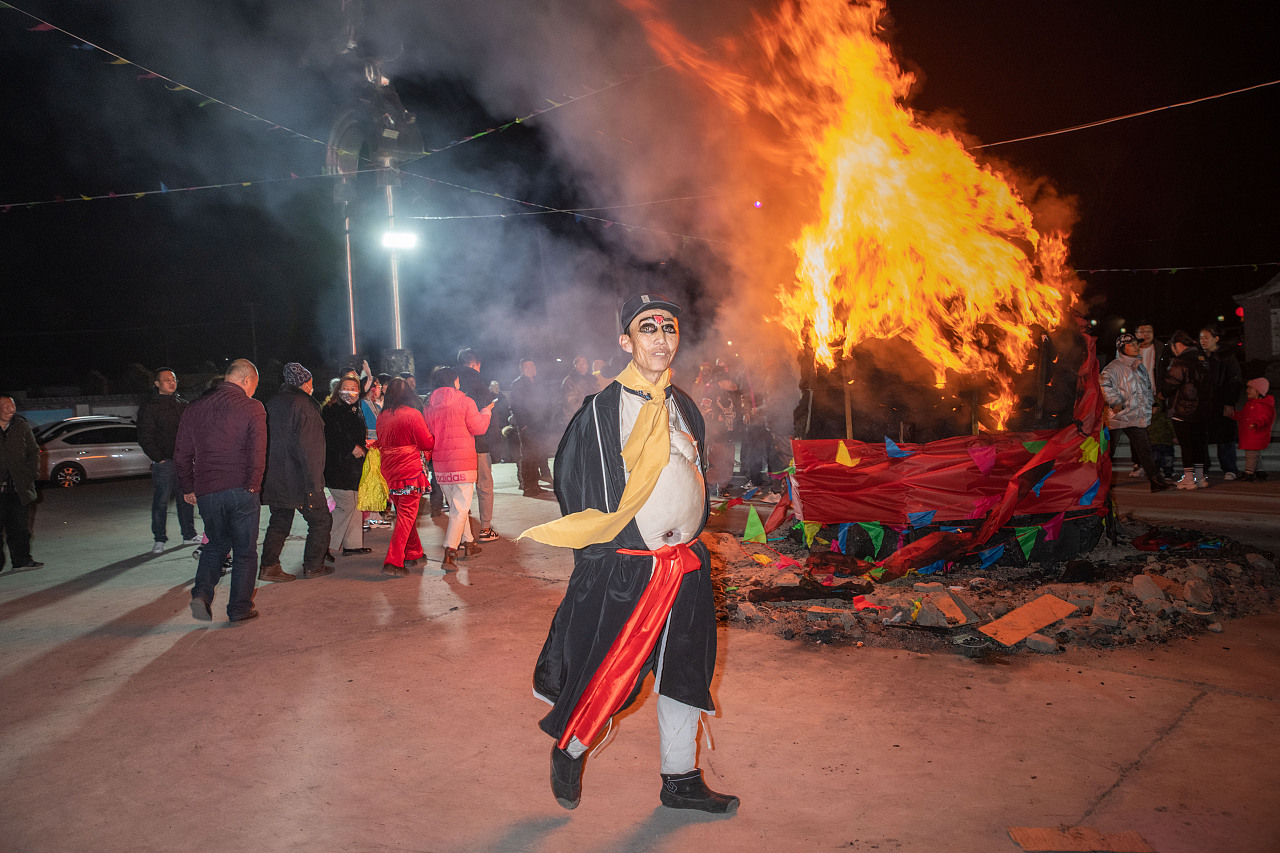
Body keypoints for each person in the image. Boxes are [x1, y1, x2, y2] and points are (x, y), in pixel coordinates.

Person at [524, 294, 738, 814]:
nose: (661, 337)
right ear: (627, 341)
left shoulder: (682, 404)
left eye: (669, 328)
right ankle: (570, 748)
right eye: (648, 329)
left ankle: (680, 779)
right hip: (629, 569)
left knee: (684, 672)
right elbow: (574, 486)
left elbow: (693, 471)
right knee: (607, 673)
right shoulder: (600, 412)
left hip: (683, 564)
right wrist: (602, 559)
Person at [174, 359, 266, 622]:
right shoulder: (252, 407)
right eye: (253, 386)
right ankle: (239, 609)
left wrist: (188, 486)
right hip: (241, 489)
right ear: (247, 381)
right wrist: (254, 485)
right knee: (245, 551)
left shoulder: (194, 408)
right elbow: (258, 453)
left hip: (208, 491)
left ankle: (202, 594)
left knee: (215, 545)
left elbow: (181, 454)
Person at [258, 363, 333, 582]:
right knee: (320, 521)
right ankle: (313, 566)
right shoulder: (305, 406)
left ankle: (268, 566)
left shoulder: (272, 403)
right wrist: (315, 483)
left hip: (275, 477)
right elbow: (310, 450)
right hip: (300, 479)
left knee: (279, 520)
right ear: (306, 382)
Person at [424, 366, 493, 568]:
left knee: (457, 507)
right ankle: (450, 551)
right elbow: (478, 428)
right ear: (453, 381)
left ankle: (469, 543)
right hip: (463, 461)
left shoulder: (428, 405)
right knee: (460, 509)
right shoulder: (465, 401)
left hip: (441, 465)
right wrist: (486, 412)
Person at [137, 368, 201, 553]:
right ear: (157, 384)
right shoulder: (150, 406)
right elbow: (144, 436)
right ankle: (159, 539)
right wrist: (159, 458)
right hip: (164, 462)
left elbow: (192, 431)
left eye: (173, 379)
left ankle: (189, 534)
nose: (172, 382)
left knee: (187, 498)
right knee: (161, 502)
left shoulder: (182, 404)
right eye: (166, 380)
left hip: (185, 461)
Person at [376, 377, 435, 577]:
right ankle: (393, 560)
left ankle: (414, 552)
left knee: (403, 512)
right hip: (410, 470)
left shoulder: (382, 415)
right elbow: (426, 443)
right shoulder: (413, 414)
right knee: (407, 514)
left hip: (390, 471)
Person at [1100, 334, 1172, 492]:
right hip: (1116, 418)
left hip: (1134, 416)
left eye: (1136, 344)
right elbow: (1103, 383)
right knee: (1108, 453)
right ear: (1121, 348)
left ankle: (1155, 481)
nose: (1136, 347)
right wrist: (1115, 401)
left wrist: (1151, 403)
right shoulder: (1113, 367)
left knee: (1145, 449)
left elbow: (1145, 388)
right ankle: (1099, 483)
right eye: (1132, 344)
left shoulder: (1139, 367)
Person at [1159, 331, 1212, 490]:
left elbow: (1171, 383)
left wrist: (1163, 393)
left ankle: (1189, 479)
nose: (1173, 350)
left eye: (1173, 346)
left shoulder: (1180, 361)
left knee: (1186, 444)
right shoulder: (1202, 359)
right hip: (1202, 408)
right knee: (1199, 443)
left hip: (1183, 408)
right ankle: (1200, 477)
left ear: (1179, 345)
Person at [323, 375, 369, 558]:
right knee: (346, 505)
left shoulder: (354, 409)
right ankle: (323, 544)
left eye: (353, 388)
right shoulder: (331, 410)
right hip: (338, 467)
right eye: (346, 387)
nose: (350, 391)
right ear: (338, 389)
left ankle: (353, 544)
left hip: (354, 467)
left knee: (356, 503)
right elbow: (332, 436)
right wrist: (351, 448)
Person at [458, 349, 499, 542]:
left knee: (462, 489)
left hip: (456, 445)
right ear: (476, 364)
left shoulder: (451, 384)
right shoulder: (480, 385)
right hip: (479, 444)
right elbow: (489, 416)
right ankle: (485, 528)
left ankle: (462, 530)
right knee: (484, 485)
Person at [0, 393, 43, 571]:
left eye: (12, 406)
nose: (10, 410)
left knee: (20, 528)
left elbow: (34, 452)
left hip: (18, 488)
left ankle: (22, 561)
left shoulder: (21, 426)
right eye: (5, 406)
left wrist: (31, 474)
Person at [1199, 324, 1243, 480]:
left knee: (1225, 437)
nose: (1203, 341)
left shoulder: (1227, 357)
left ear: (1216, 339)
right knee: (1201, 437)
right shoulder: (1199, 357)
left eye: (1206, 337)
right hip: (1203, 404)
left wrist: (1230, 402)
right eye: (1201, 337)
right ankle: (1203, 468)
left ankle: (1230, 468)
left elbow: (1234, 381)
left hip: (1222, 402)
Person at [510, 358, 552, 496]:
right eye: (527, 366)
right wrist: (523, 425)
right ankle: (527, 486)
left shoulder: (539, 383)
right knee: (528, 456)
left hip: (539, 425)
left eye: (532, 365)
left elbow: (546, 401)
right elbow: (516, 406)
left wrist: (546, 419)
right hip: (527, 426)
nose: (530, 368)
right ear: (521, 369)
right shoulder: (517, 384)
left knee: (537, 454)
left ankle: (535, 484)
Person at [1229, 378, 1275, 482]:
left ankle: (1249, 472)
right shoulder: (1251, 404)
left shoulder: (1263, 405)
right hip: (1251, 435)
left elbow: (1266, 418)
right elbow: (1243, 416)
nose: (1247, 390)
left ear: (1259, 391)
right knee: (1255, 455)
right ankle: (1259, 471)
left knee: (1251, 455)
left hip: (1256, 435)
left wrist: (1257, 423)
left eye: (1250, 388)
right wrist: (1233, 414)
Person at [561, 355, 597, 427]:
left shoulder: (593, 379)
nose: (582, 366)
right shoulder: (570, 381)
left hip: (592, 416)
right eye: (579, 363)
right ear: (575, 366)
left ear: (587, 365)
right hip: (576, 417)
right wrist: (586, 411)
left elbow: (597, 396)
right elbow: (570, 402)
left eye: (584, 363)